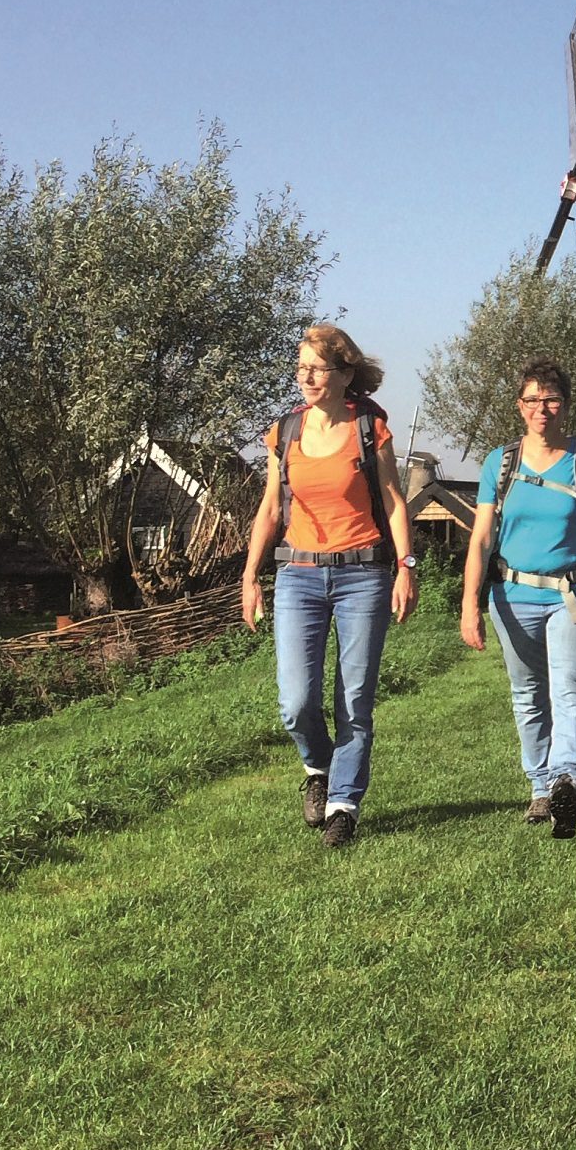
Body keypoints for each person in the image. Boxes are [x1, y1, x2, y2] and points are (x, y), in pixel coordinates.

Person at [241, 324, 418, 849]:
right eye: (301, 366)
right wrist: (251, 576)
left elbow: (392, 501)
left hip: (363, 575)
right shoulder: (285, 431)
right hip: (297, 575)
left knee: (354, 699)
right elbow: (270, 508)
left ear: (344, 374)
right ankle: (317, 766)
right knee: (295, 701)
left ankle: (343, 804)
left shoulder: (370, 427)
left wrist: (405, 565)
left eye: (317, 367)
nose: (307, 376)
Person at [460, 357, 576, 839]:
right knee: (528, 694)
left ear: (565, 406)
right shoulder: (500, 463)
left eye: (551, 399)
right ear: (519, 407)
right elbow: (480, 537)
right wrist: (469, 603)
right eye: (532, 400)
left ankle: (567, 782)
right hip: (511, 596)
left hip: (573, 594)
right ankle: (540, 785)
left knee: (568, 687)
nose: (542, 409)